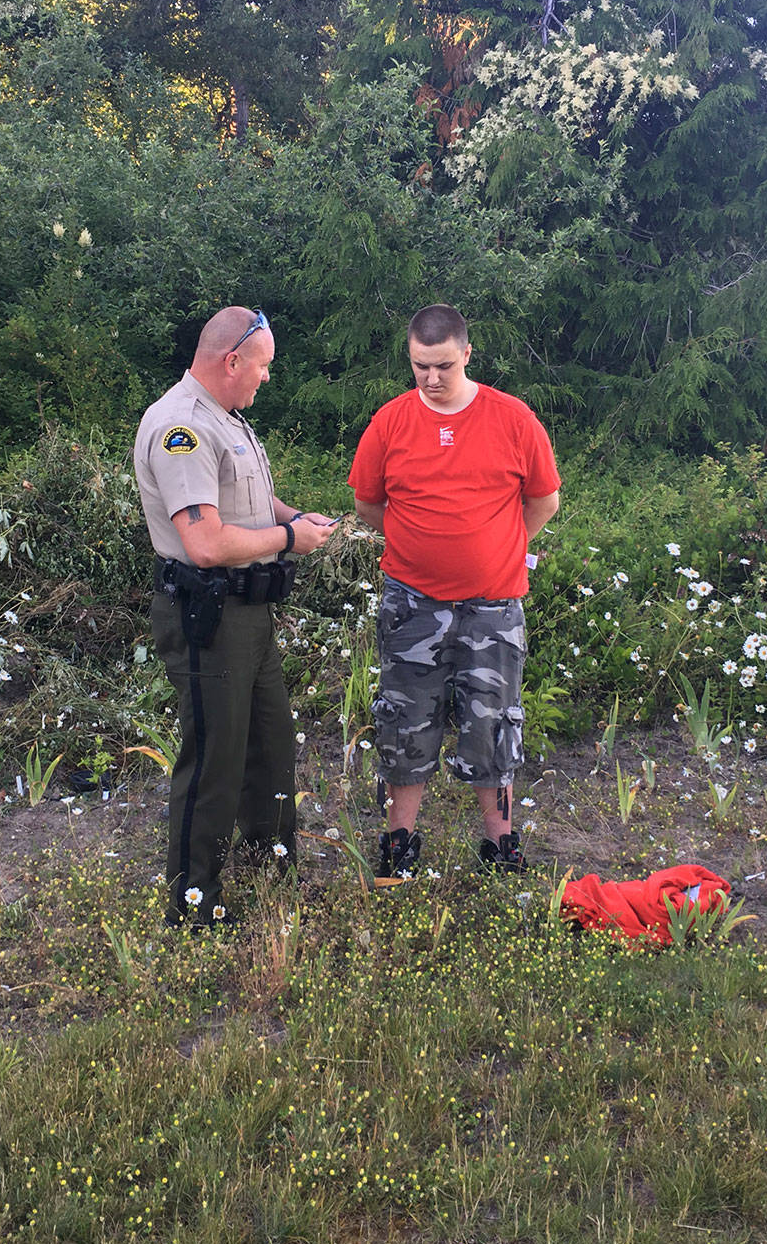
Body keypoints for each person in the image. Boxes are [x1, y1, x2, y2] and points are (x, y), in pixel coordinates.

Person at [134, 307, 337, 927]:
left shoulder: (227, 420)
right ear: (231, 361)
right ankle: (194, 904)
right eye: (263, 366)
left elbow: (246, 496)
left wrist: (296, 517)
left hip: (249, 611)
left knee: (270, 744)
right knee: (216, 759)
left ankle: (268, 866)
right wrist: (287, 538)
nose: (266, 378)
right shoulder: (182, 427)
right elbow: (205, 543)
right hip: (208, 613)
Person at [348, 303, 560, 877]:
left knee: (493, 723)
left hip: (493, 605)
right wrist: (417, 541)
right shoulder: (390, 421)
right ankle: (399, 843)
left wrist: (502, 544)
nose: (432, 378)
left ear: (467, 354)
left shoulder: (512, 419)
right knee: (405, 720)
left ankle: (500, 845)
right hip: (412, 603)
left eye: (443, 365)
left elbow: (544, 499)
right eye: (420, 366)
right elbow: (368, 502)